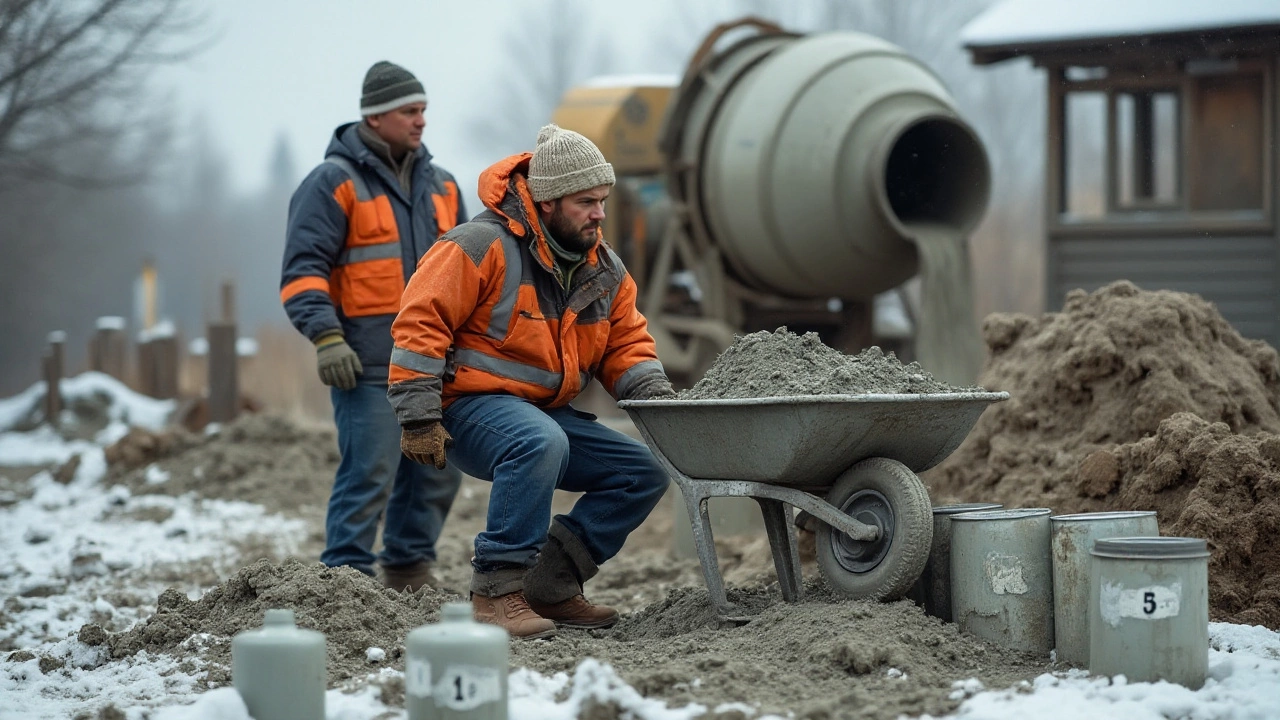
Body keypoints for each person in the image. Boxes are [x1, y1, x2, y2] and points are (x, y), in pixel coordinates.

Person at [386, 124, 676, 639]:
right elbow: (419, 324)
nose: (600, 215)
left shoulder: (603, 267)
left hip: (543, 415)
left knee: (645, 471)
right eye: (586, 202)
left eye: (603, 201)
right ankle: (495, 593)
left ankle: (551, 585)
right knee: (539, 440)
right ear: (545, 203)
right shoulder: (477, 246)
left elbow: (626, 343)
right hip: (467, 410)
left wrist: (659, 403)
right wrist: (418, 415)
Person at [279, 61, 466, 592]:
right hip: (366, 365)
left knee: (435, 471)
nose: (421, 121)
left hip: (434, 365)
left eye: (424, 110)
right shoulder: (331, 184)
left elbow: (473, 276)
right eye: (410, 110)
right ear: (376, 116)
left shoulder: (446, 188)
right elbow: (302, 272)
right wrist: (326, 336)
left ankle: (409, 569)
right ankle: (345, 583)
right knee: (369, 473)